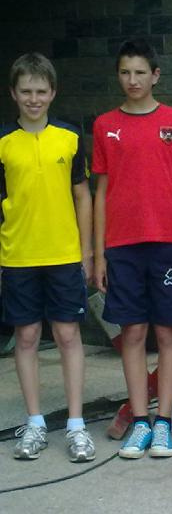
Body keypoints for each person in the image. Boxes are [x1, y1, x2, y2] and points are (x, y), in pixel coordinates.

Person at [93, 38, 172, 459]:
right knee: (132, 333)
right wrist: (98, 252)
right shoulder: (104, 125)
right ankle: (139, 421)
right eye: (125, 72)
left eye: (140, 72)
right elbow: (101, 191)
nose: (132, 80)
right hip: (122, 245)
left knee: (168, 332)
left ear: (155, 75)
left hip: (168, 242)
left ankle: (163, 422)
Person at [3, 53, 94, 462]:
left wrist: (87, 251)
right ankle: (36, 422)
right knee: (25, 338)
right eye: (26, 91)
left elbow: (82, 196)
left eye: (41, 91)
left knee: (68, 336)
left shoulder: (70, 137)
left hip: (63, 254)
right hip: (18, 255)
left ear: (53, 92)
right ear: (13, 94)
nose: (34, 99)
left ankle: (76, 425)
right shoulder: (3, 142)